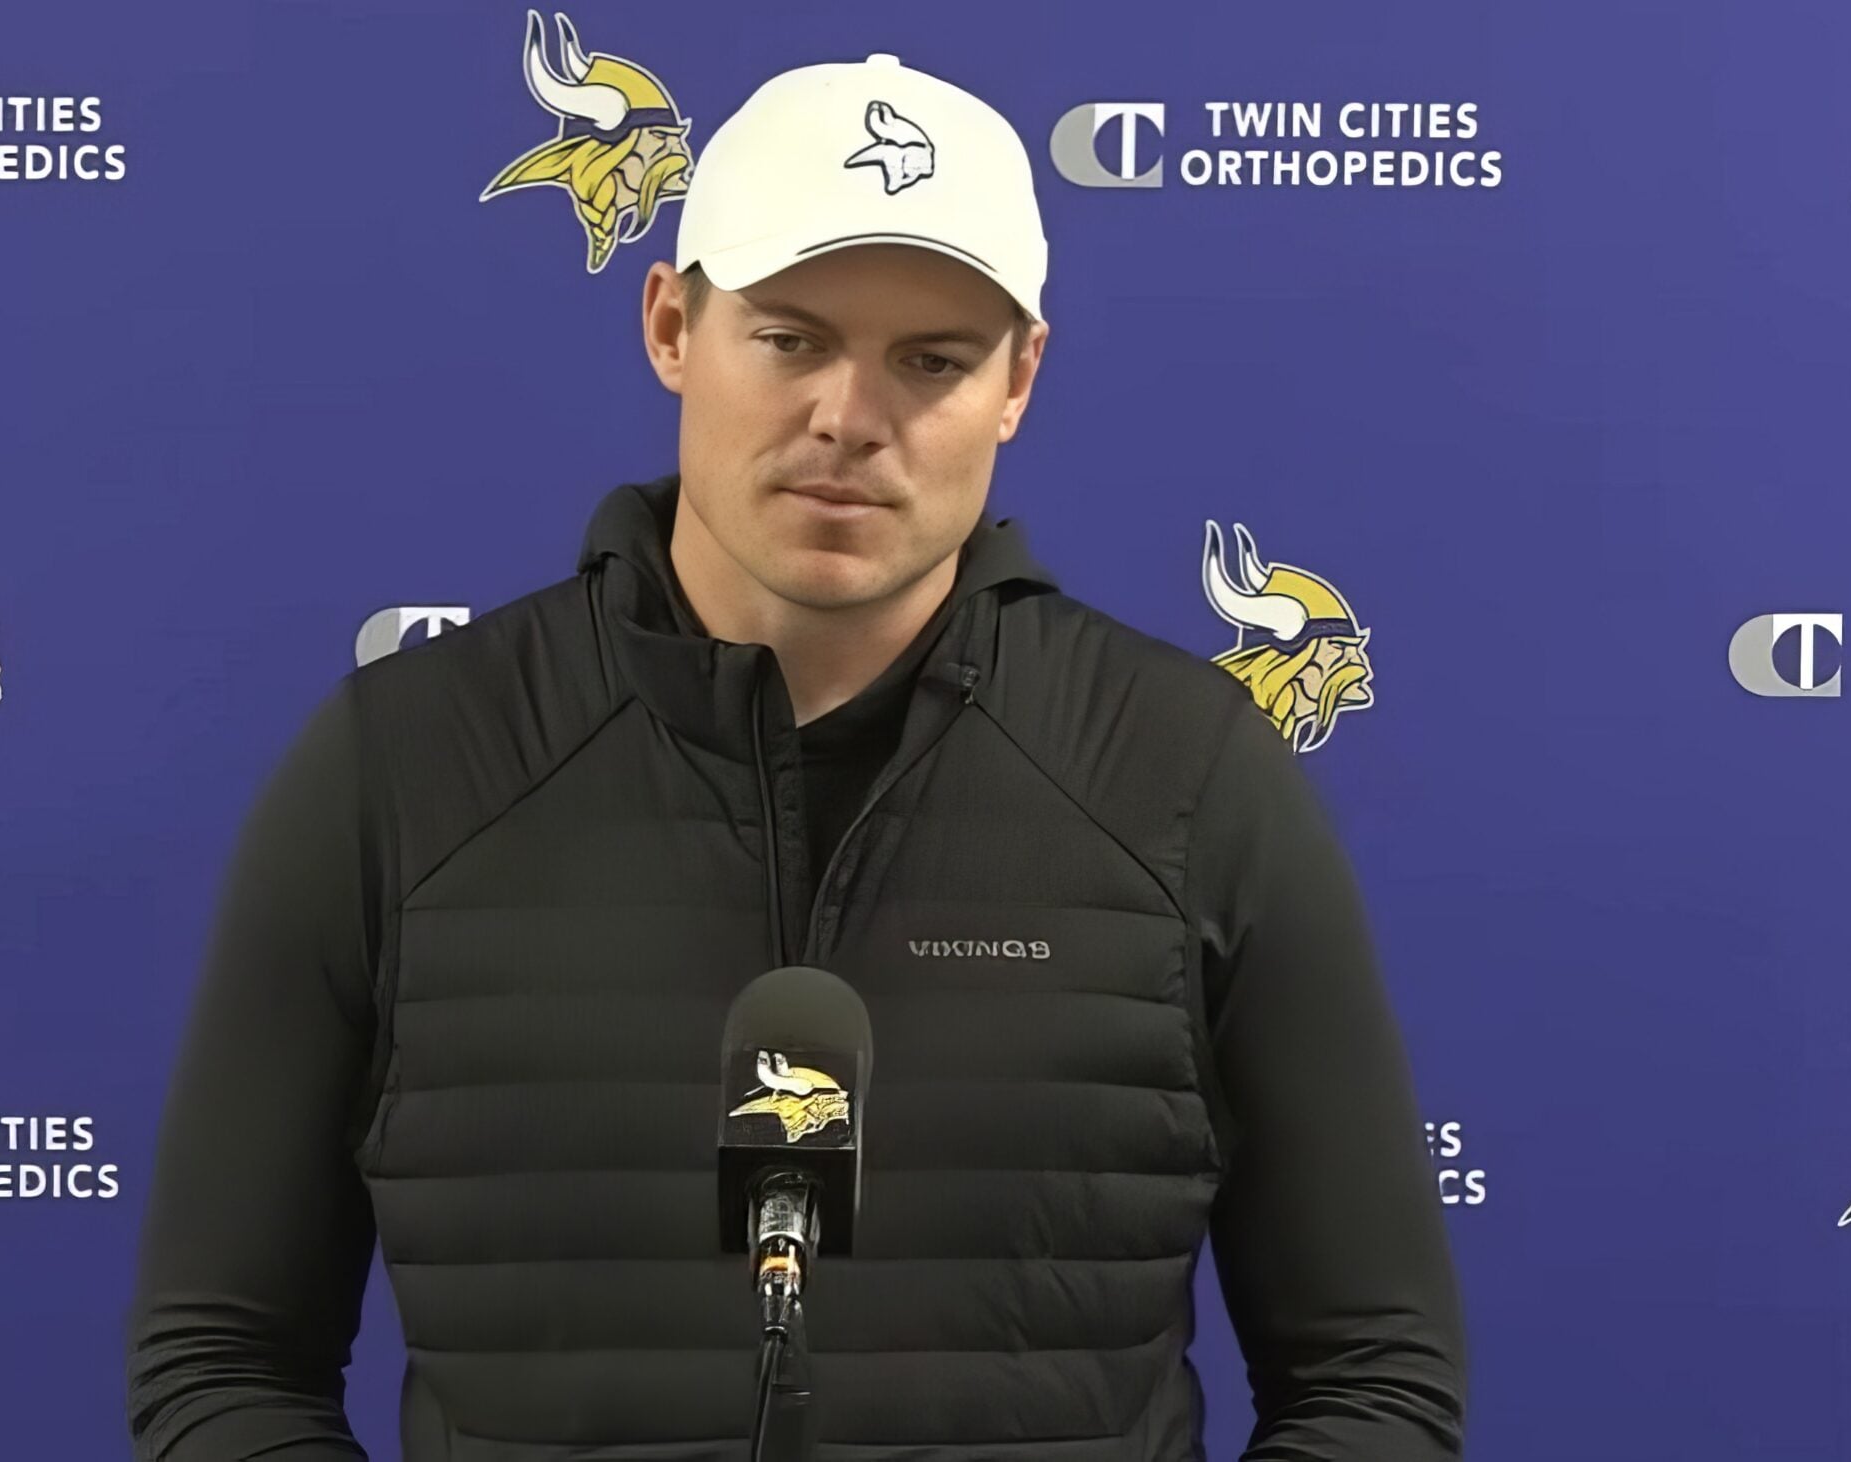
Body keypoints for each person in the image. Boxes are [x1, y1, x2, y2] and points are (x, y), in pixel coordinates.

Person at [125, 45, 1464, 1462]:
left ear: (1020, 380)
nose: (849, 418)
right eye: (791, 339)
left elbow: (1372, 1373)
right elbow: (222, 1357)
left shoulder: (1189, 776)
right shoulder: (402, 766)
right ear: (670, 326)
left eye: (932, 361)